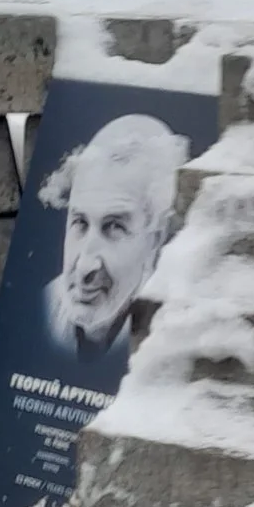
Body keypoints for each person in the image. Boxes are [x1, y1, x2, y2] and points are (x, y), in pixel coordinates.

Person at [40, 113, 190, 359]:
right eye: (80, 223)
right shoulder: (41, 308)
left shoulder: (173, 333)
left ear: (155, 239)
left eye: (114, 228)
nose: (85, 266)